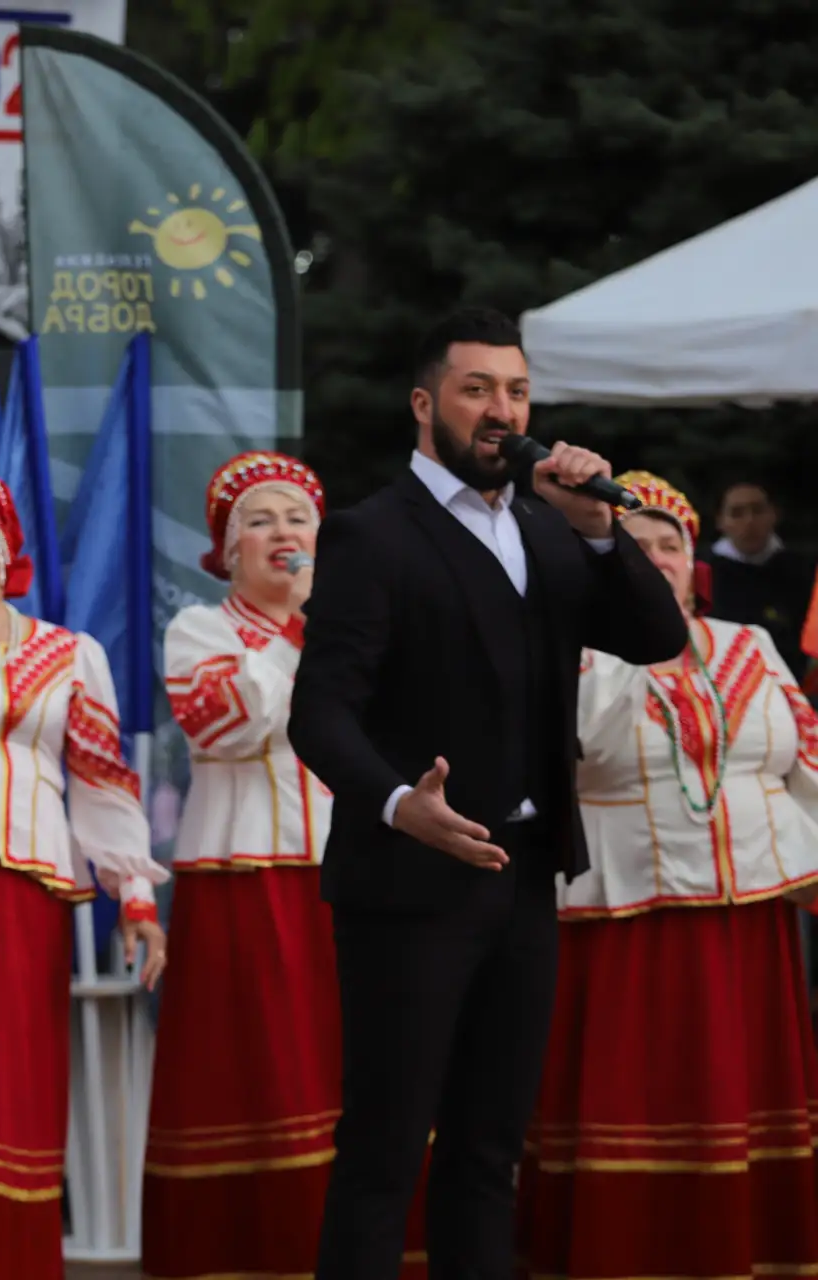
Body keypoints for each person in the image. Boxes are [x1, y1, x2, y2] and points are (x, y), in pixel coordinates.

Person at [287, 307, 688, 1280]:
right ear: (427, 404)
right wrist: (396, 802)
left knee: (488, 1151)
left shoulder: (553, 535)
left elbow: (656, 635)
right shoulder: (370, 536)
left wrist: (600, 528)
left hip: (523, 882)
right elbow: (321, 714)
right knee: (385, 1152)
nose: (502, 411)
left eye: (516, 390)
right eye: (477, 390)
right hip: (406, 886)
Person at [518, 472, 818, 1280]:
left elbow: (806, 753)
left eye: (666, 545)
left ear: (694, 561)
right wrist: (616, 629)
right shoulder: (573, 655)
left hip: (743, 912)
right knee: (631, 1089)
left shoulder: (749, 645)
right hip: (625, 914)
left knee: (743, 1094)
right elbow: (588, 749)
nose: (652, 559)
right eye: (631, 546)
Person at [145, 451, 424, 1280]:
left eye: (297, 518)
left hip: (353, 871)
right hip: (244, 879)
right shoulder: (200, 630)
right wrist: (306, 625)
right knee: (259, 1070)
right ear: (225, 553)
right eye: (258, 522)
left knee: (364, 1064)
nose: (282, 534)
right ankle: (256, 1256)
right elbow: (224, 723)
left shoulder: (365, 630)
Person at [0, 457, 167, 1280]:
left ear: (6, 536)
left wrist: (134, 896)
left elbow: (102, 783)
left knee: (13, 1091)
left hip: (27, 894)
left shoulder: (69, 654)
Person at [705, 479, 811, 683]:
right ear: (720, 520)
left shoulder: (803, 571)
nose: (749, 521)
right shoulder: (701, 572)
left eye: (758, 510)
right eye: (737, 513)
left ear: (774, 514)